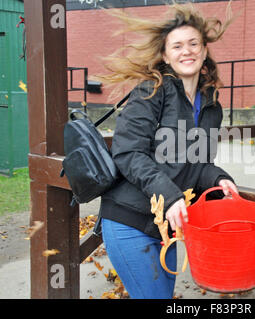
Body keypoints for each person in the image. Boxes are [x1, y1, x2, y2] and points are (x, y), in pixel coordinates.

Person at [95, 1, 238, 299]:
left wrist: (219, 179)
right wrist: (170, 196)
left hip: (165, 228)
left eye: (193, 43)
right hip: (130, 221)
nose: (187, 51)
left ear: (204, 50)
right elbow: (127, 153)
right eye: (177, 46)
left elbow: (198, 164)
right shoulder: (152, 91)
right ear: (165, 55)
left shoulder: (212, 107)